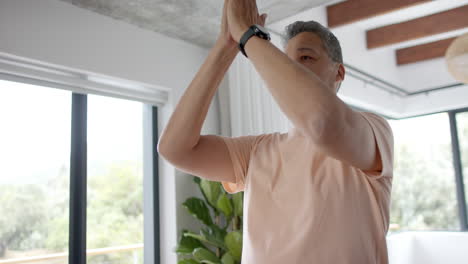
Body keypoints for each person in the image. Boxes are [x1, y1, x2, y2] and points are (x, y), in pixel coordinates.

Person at [157, 0, 394, 263]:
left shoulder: (374, 130)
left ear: (339, 72)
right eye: (287, 62)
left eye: (306, 58)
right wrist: (225, 48)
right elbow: (175, 149)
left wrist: (248, 35)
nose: (292, 70)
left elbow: (321, 122)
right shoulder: (256, 151)